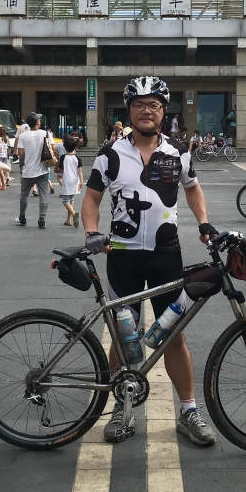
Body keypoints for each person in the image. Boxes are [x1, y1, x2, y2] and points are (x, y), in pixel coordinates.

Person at [81, 76, 216, 447]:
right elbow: (91, 199)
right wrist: (91, 231)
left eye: (153, 104)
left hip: (165, 255)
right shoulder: (110, 154)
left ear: (163, 111)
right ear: (129, 111)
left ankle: (188, 410)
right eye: (139, 104)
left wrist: (204, 223)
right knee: (123, 338)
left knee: (174, 336)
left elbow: (192, 187)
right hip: (122, 257)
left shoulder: (179, 151)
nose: (146, 110)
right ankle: (120, 409)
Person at [16, 112, 50, 228]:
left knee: (24, 194)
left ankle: (22, 217)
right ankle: (42, 219)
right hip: (43, 170)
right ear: (37, 122)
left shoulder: (23, 136)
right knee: (43, 196)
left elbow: (20, 153)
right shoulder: (45, 133)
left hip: (27, 171)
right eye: (39, 120)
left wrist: (29, 152)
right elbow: (53, 149)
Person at [57, 135, 83, 227]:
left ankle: (73, 213)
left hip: (67, 180)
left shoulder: (63, 157)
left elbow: (61, 169)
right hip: (75, 180)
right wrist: (81, 181)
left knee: (65, 201)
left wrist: (57, 169)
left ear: (64, 147)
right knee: (71, 199)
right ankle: (69, 220)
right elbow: (80, 170)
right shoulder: (77, 158)